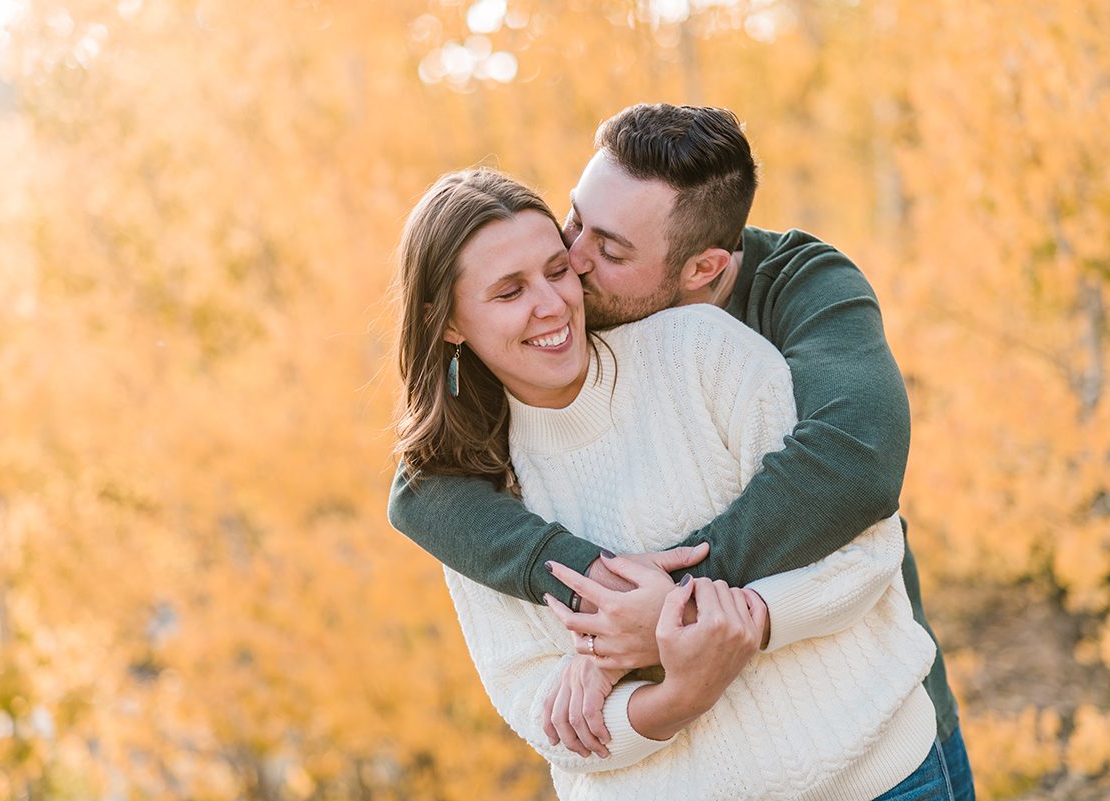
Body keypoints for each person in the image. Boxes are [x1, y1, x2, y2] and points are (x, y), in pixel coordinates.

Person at [389, 103, 973, 799]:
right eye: (576, 222)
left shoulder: (776, 302)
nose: (572, 267)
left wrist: (664, 614)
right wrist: (629, 631)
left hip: (874, 741)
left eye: (607, 251)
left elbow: (857, 465)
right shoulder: (485, 452)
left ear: (704, 269)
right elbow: (422, 491)